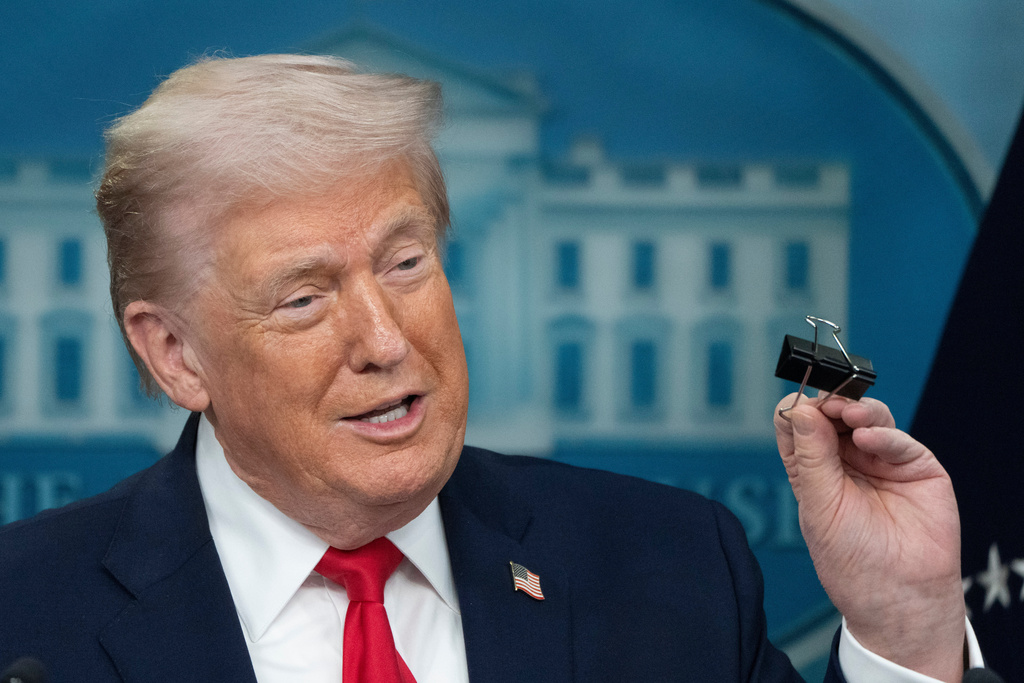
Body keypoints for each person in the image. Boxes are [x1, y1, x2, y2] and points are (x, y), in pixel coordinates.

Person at [0, 54, 978, 682]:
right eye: (304, 297)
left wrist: (900, 631)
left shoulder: (672, 569)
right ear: (174, 353)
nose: (385, 340)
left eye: (405, 262)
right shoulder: (25, 615)